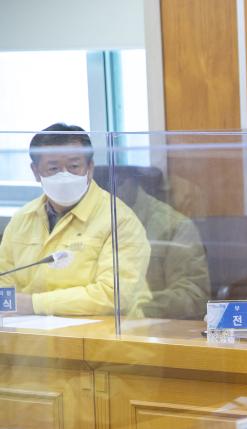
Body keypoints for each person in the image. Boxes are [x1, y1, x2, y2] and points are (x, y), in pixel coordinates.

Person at [0, 124, 150, 316]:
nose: (65, 175)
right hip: (28, 330)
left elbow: (114, 294)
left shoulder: (119, 219)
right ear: (35, 172)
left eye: (74, 167)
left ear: (90, 168)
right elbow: (4, 283)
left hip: (102, 331)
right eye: (53, 168)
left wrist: (33, 304)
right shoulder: (22, 219)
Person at [99, 167, 210, 319]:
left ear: (135, 181)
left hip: (153, 325)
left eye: (119, 182)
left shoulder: (173, 226)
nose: (111, 189)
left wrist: (140, 306)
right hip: (94, 323)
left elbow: (193, 295)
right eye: (104, 184)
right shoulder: (92, 222)